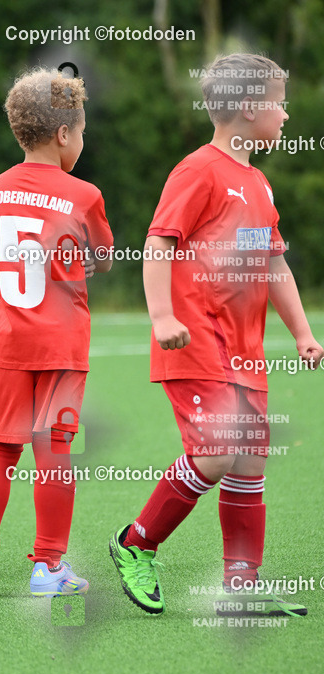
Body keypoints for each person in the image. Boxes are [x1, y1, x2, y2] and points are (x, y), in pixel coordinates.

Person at [109, 53, 322, 617]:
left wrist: (302, 332)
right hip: (196, 340)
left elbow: (273, 264)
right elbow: (159, 243)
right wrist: (162, 316)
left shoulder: (259, 183)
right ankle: (136, 543)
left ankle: (241, 585)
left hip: (245, 351)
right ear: (248, 107)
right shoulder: (199, 170)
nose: (286, 114)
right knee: (218, 452)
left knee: (248, 462)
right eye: (279, 103)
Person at [0, 67, 112, 599]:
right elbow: (103, 258)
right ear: (64, 133)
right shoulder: (84, 194)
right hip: (60, 345)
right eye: (81, 132)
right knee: (54, 451)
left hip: (6, 342)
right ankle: (48, 567)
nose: (81, 141)